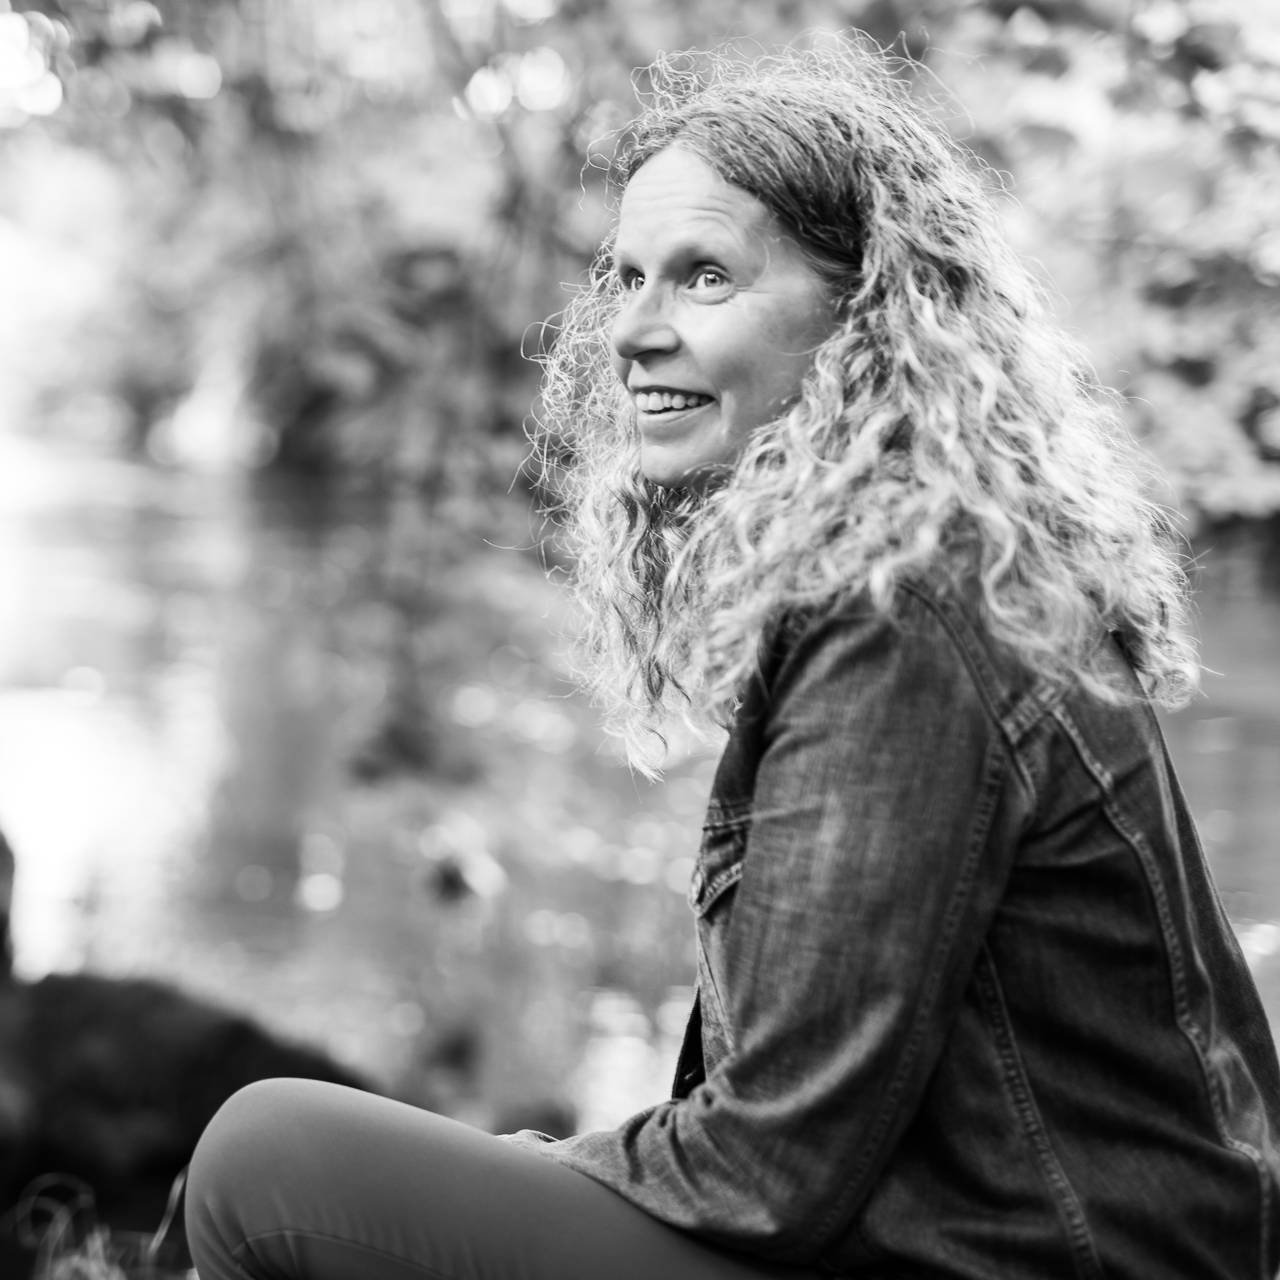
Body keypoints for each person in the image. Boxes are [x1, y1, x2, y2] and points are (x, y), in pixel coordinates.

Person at [184, 37, 1280, 1280]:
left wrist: (531, 1171)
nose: (631, 330)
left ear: (867, 315)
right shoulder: (927, 561)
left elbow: (768, 1167)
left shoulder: (906, 609)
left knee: (266, 1160)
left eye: (703, 276)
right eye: (628, 277)